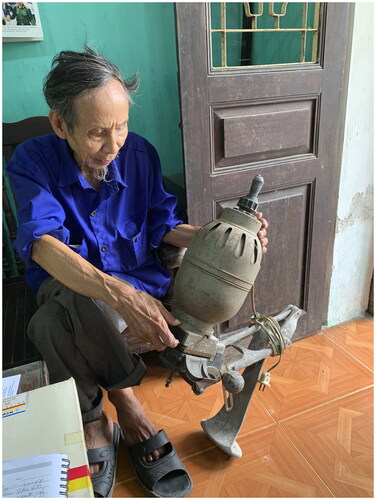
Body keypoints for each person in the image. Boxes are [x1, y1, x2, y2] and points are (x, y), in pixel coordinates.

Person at [7, 47, 268, 498]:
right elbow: (42, 245)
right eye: (96, 134)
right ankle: (129, 409)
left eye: (121, 126)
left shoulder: (139, 154)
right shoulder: (32, 160)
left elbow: (164, 226)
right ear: (59, 125)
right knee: (73, 301)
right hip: (75, 290)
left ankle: (93, 423)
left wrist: (214, 235)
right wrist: (121, 295)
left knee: (48, 325)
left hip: (137, 284)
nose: (113, 146)